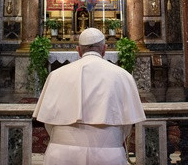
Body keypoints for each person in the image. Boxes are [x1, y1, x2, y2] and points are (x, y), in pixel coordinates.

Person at [33, 28, 145, 165]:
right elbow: (128, 124)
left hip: (61, 154)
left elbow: (48, 123)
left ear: (78, 50)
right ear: (104, 49)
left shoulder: (56, 75)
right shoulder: (123, 76)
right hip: (108, 154)